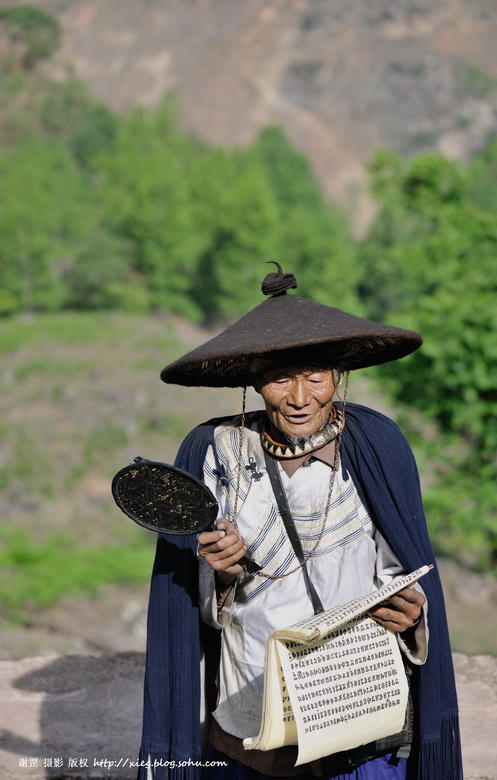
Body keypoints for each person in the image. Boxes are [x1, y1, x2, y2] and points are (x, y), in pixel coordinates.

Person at [137, 265, 462, 780]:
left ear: (338, 375)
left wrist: (410, 615)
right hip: (254, 703)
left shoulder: (374, 447)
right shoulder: (215, 453)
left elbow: (404, 568)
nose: (299, 397)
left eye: (315, 376)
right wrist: (220, 575)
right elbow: (185, 599)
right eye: (279, 378)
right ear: (253, 379)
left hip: (357, 704)